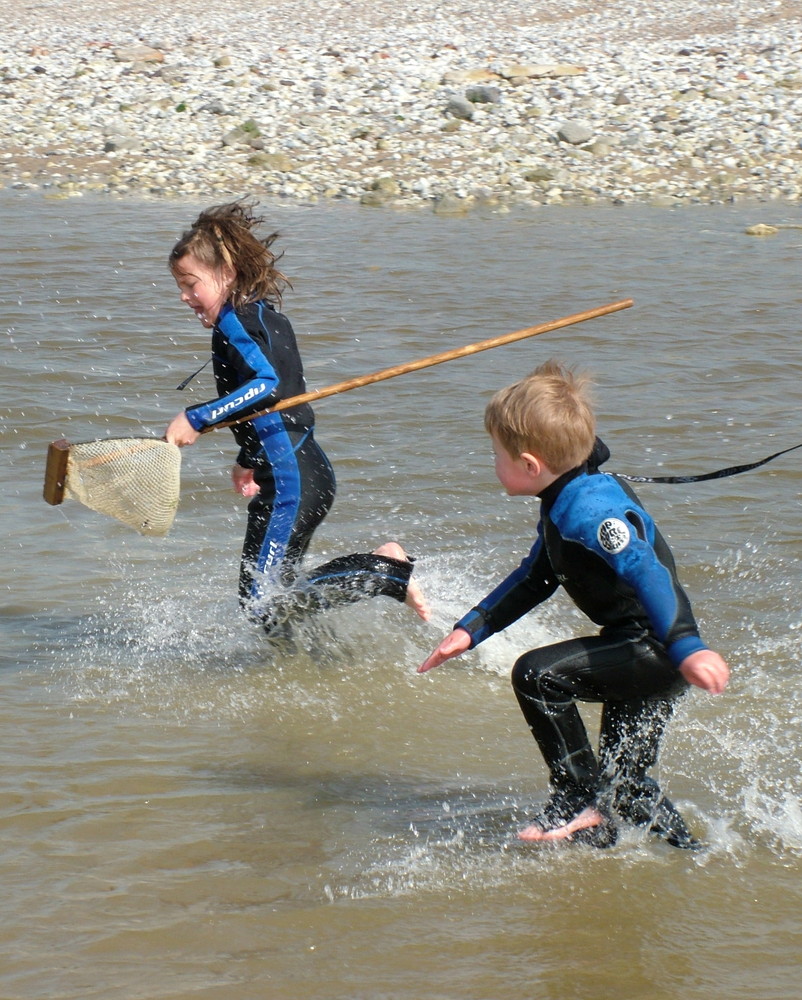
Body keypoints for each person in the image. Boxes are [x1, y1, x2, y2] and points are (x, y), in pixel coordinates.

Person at [418, 361, 729, 848]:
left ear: (529, 464)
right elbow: (536, 576)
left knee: (537, 676)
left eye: (495, 454)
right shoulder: (568, 491)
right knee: (625, 791)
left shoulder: (590, 511)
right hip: (646, 652)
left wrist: (687, 645)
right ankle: (698, 860)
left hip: (654, 649)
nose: (492, 463)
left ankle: (574, 797)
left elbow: (648, 571)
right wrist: (472, 628)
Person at [164, 200, 429, 633]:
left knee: (261, 604)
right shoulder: (263, 316)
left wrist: (197, 417)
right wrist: (249, 458)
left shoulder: (237, 323)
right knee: (275, 608)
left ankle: (384, 569)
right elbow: (274, 403)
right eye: (180, 286)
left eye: (191, 284)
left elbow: (266, 385)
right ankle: (313, 663)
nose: (184, 296)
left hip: (291, 481)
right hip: (298, 469)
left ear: (225, 274)